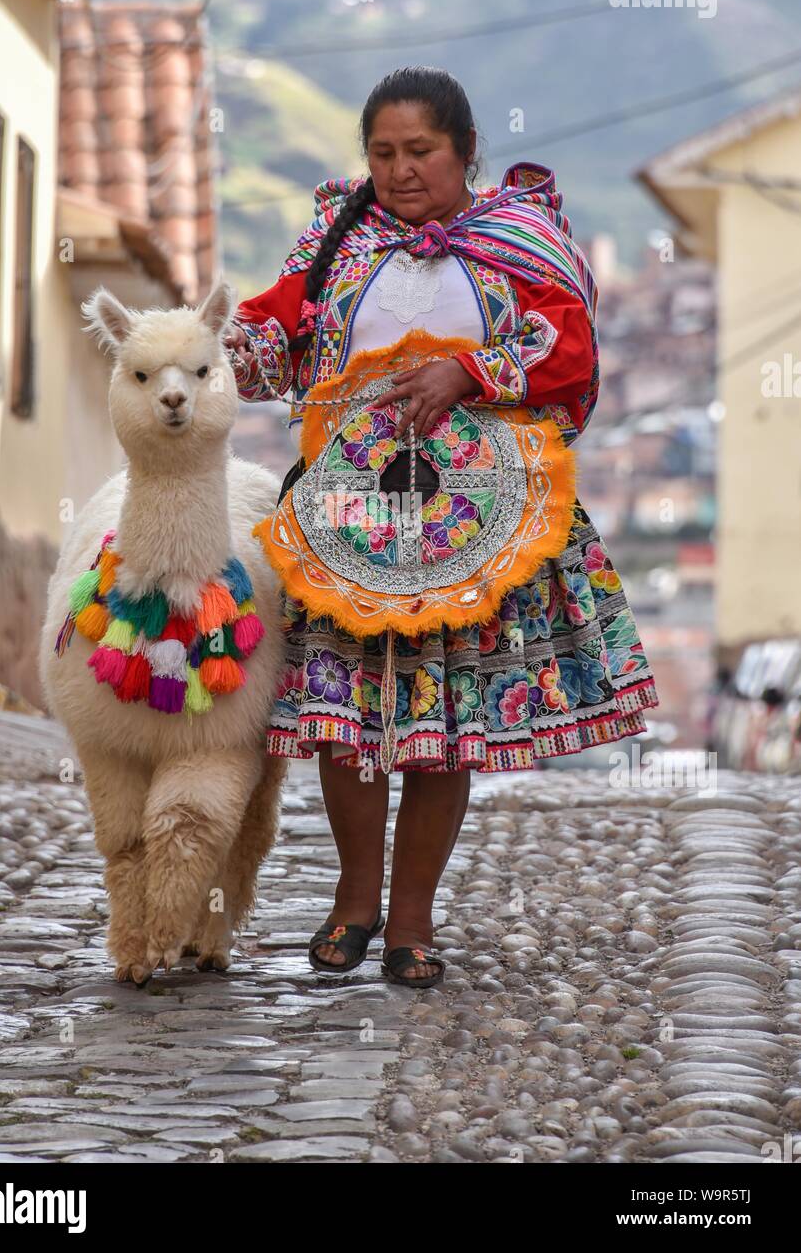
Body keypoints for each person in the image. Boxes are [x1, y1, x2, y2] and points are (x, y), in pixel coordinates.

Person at [225, 66, 659, 987]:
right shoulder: (339, 237)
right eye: (382, 152)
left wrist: (470, 371)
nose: (399, 169)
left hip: (479, 521)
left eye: (420, 151)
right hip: (347, 512)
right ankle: (353, 902)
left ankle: (410, 922)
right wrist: (221, 351)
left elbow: (568, 344)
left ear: (466, 150)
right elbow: (282, 324)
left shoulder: (516, 241)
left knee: (441, 724)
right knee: (350, 719)